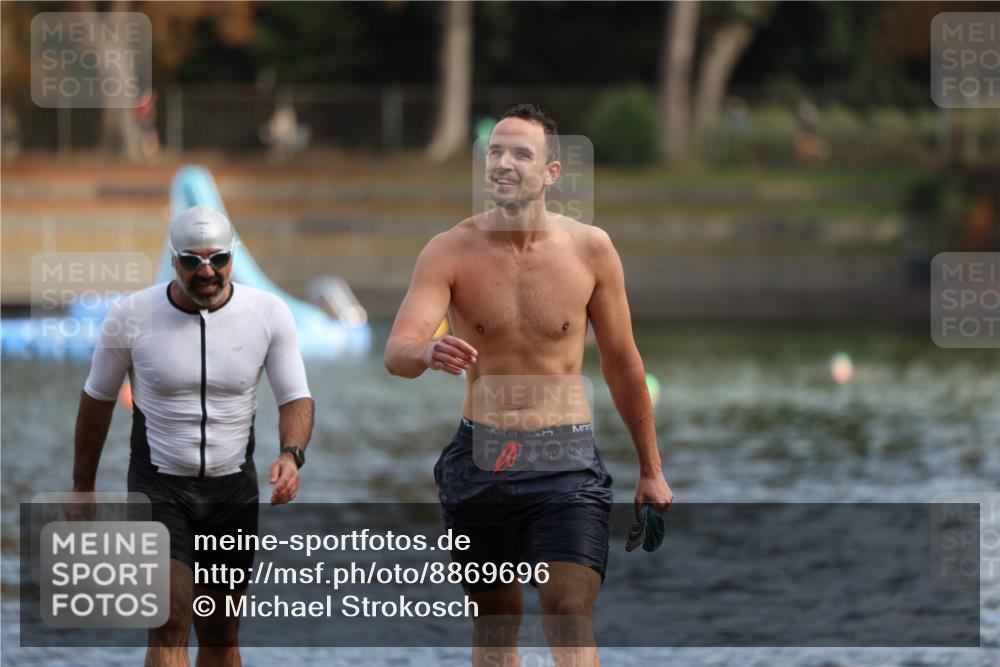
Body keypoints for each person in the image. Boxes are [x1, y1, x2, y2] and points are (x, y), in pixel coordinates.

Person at [385, 104, 673, 666]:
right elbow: (397, 351)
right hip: (480, 461)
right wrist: (426, 349)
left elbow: (623, 363)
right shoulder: (449, 250)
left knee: (569, 611)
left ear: (551, 173)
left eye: (521, 153)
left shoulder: (591, 251)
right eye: (495, 151)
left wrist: (652, 469)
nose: (503, 163)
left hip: (566, 463)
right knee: (495, 623)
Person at [72, 205, 314, 667]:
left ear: (233, 257)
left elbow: (296, 397)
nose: (207, 272)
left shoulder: (267, 313)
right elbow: (97, 398)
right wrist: (83, 485)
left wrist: (291, 454)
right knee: (169, 619)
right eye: (192, 261)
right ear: (172, 259)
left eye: (218, 259)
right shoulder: (131, 315)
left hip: (232, 491)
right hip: (158, 486)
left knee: (221, 631)